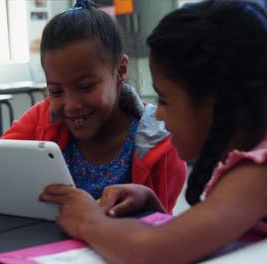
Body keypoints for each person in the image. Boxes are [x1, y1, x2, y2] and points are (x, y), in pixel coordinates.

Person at [0, 0, 186, 211]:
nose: (71, 105)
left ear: (120, 70)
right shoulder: (42, 119)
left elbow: (163, 231)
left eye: (86, 87)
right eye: (55, 90)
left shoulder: (159, 145)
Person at [40, 0, 267, 262]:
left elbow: (151, 251)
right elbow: (197, 239)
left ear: (216, 104)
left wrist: (87, 221)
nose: (158, 113)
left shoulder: (257, 173)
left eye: (166, 100)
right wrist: (151, 204)